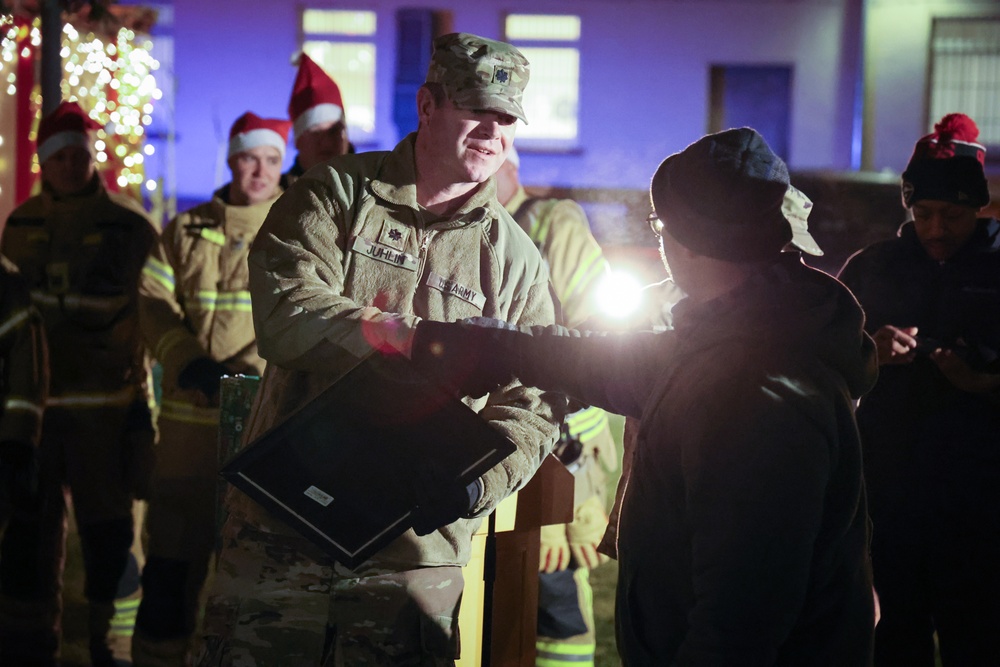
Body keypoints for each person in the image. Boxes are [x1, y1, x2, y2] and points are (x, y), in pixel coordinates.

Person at [408, 127, 879, 665]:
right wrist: (477, 344)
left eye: (660, 225)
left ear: (685, 239)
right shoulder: (736, 339)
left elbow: (740, 621)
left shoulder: (760, 395)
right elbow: (604, 361)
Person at [197, 33, 560, 666]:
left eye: (506, 118)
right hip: (283, 534)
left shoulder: (516, 260)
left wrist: (476, 487)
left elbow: (535, 402)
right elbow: (285, 314)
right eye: (477, 109)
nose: (492, 130)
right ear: (427, 105)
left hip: (414, 557)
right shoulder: (335, 196)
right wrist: (413, 340)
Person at [837, 112, 1000, 667]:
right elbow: (820, 364)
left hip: (982, 505)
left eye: (951, 215)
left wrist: (983, 382)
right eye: (923, 213)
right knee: (890, 639)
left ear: (978, 206)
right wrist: (867, 355)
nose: (935, 229)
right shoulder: (873, 269)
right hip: (888, 499)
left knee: (977, 638)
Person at [0, 100, 159, 667]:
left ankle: (111, 652)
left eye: (78, 154)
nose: (69, 164)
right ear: (44, 161)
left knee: (110, 546)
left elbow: (152, 323)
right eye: (58, 156)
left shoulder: (131, 228)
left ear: (93, 157)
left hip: (105, 422)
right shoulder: (18, 227)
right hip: (36, 424)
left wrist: (143, 418)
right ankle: (27, 651)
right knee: (27, 550)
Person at [132, 111, 290, 665]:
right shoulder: (186, 229)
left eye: (273, 160)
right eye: (250, 158)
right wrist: (186, 359)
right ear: (231, 160)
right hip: (183, 445)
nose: (260, 172)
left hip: (258, 441)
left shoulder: (296, 228)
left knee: (247, 595)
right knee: (168, 585)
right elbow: (151, 303)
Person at [495, 147, 617, 667]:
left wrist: (565, 493)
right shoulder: (456, 224)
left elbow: (591, 355)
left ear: (510, 167)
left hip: (553, 451)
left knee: (553, 600)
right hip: (488, 446)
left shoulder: (550, 223)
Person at [281, 53, 352, 189]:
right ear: (298, 141)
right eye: (316, 132)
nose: (326, 142)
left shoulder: (370, 188)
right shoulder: (276, 196)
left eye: (334, 131)